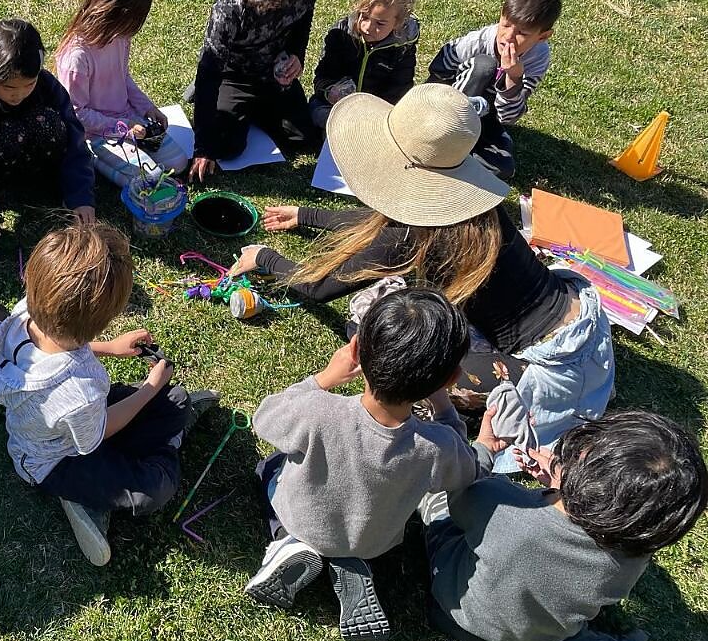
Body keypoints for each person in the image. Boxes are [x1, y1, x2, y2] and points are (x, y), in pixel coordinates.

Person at [232, 83, 614, 471]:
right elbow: (384, 226)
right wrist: (307, 215)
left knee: (377, 327)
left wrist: (263, 257)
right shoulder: (469, 197)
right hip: (581, 320)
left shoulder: (414, 234)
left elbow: (319, 286)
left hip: (541, 370)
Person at [246, 289, 506, 641]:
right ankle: (352, 563)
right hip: (373, 543)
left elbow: (264, 417)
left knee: (269, 467)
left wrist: (322, 379)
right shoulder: (436, 446)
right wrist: (459, 422)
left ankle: (288, 542)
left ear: (354, 349)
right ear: (451, 379)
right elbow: (470, 469)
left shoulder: (319, 411)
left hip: (304, 521)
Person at [0, 223, 217, 567]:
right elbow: (99, 432)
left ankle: (141, 450)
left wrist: (109, 347)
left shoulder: (25, 313)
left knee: (177, 401)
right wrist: (150, 388)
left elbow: (58, 344)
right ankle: (88, 497)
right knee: (156, 488)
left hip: (68, 420)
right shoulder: (80, 388)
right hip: (55, 462)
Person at [422, 411, 708, 641]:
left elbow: (460, 487)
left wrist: (484, 449)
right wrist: (565, 489)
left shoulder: (499, 501)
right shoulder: (632, 559)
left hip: (453, 609)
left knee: (435, 501)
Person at [188, 0, 322, 183]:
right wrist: (203, 147)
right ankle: (232, 108)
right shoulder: (230, 3)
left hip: (274, 73)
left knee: (302, 138)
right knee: (225, 147)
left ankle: (252, 111)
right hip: (234, 76)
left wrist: (296, 55)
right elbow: (209, 71)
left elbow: (302, 23)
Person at [0, 19, 96, 224]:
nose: (19, 94)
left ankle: (49, 181)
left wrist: (80, 196)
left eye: (29, 84)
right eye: (8, 88)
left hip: (42, 168)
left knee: (51, 121)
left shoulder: (48, 87)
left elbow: (74, 141)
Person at [54, 0, 189, 188]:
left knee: (179, 162)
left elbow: (123, 77)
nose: (131, 31)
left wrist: (147, 108)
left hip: (128, 119)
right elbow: (77, 113)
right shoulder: (77, 56)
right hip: (96, 134)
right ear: (112, 14)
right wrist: (124, 127)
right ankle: (92, 157)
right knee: (150, 179)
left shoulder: (120, 37)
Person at [427, 0, 562, 180]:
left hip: (485, 117)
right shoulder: (477, 42)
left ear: (543, 36)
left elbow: (507, 117)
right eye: (505, 24)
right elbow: (437, 74)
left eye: (522, 33)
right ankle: (445, 139)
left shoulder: (538, 57)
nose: (508, 37)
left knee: (501, 169)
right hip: (448, 107)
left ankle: (461, 151)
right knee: (484, 66)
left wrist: (513, 78)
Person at [309, 0, 419, 130]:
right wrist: (330, 91)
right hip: (334, 108)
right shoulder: (342, 34)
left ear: (398, 23)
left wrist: (376, 112)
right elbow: (322, 76)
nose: (367, 27)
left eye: (380, 24)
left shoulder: (402, 46)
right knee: (319, 115)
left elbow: (400, 87)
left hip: (377, 113)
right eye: (364, 16)